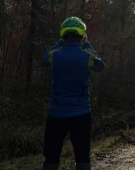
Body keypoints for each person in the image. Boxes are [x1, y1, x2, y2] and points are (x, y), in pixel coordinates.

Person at [41, 17, 104, 170]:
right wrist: (87, 43)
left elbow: (45, 59)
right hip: (81, 113)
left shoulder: (55, 54)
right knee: (82, 158)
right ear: (82, 34)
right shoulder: (87, 55)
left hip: (57, 113)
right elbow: (100, 65)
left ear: (63, 33)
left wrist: (60, 42)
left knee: (51, 157)